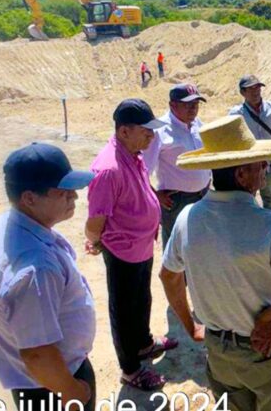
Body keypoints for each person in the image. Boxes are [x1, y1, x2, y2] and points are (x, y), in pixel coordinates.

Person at [159, 115, 271, 411]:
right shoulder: (269, 223)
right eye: (260, 165)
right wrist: (268, 317)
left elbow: (169, 276)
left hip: (219, 350)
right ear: (242, 175)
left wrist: (190, 325)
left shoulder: (187, 218)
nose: (265, 171)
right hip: (264, 350)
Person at [0, 143, 97, 411]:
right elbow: (38, 353)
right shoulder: (35, 269)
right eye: (63, 192)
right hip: (52, 385)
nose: (74, 198)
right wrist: (72, 390)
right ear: (29, 198)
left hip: (41, 380)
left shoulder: (5, 225)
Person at [84, 99, 176, 391]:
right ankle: (131, 370)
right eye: (146, 130)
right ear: (124, 131)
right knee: (124, 310)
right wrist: (95, 242)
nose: (152, 136)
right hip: (122, 251)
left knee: (142, 299)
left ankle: (144, 344)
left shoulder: (132, 153)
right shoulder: (108, 169)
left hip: (141, 247)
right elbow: (95, 220)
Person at [143, 83, 211, 248]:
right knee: (176, 248)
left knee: (199, 245)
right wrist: (156, 196)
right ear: (172, 105)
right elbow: (141, 170)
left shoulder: (197, 124)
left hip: (203, 196)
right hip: (176, 201)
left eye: (196, 104)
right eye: (188, 104)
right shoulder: (160, 131)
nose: (193, 109)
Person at [227, 74, 271, 211]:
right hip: (247, 167)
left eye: (258, 87)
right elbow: (231, 140)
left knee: (269, 197)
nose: (256, 91)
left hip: (269, 165)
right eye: (251, 89)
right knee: (247, 198)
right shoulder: (236, 114)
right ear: (243, 92)